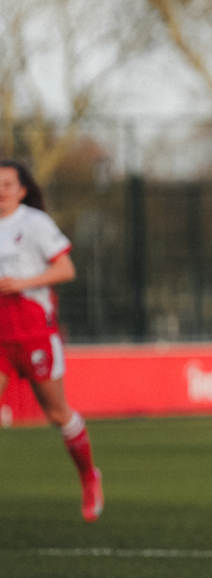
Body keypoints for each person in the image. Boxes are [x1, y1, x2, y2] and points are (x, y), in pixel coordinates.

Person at [0, 159, 102, 523]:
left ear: (22, 190)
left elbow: (66, 269)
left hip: (33, 331)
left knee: (58, 414)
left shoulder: (35, 223)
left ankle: (88, 476)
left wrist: (22, 283)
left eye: (7, 185)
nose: (1, 191)